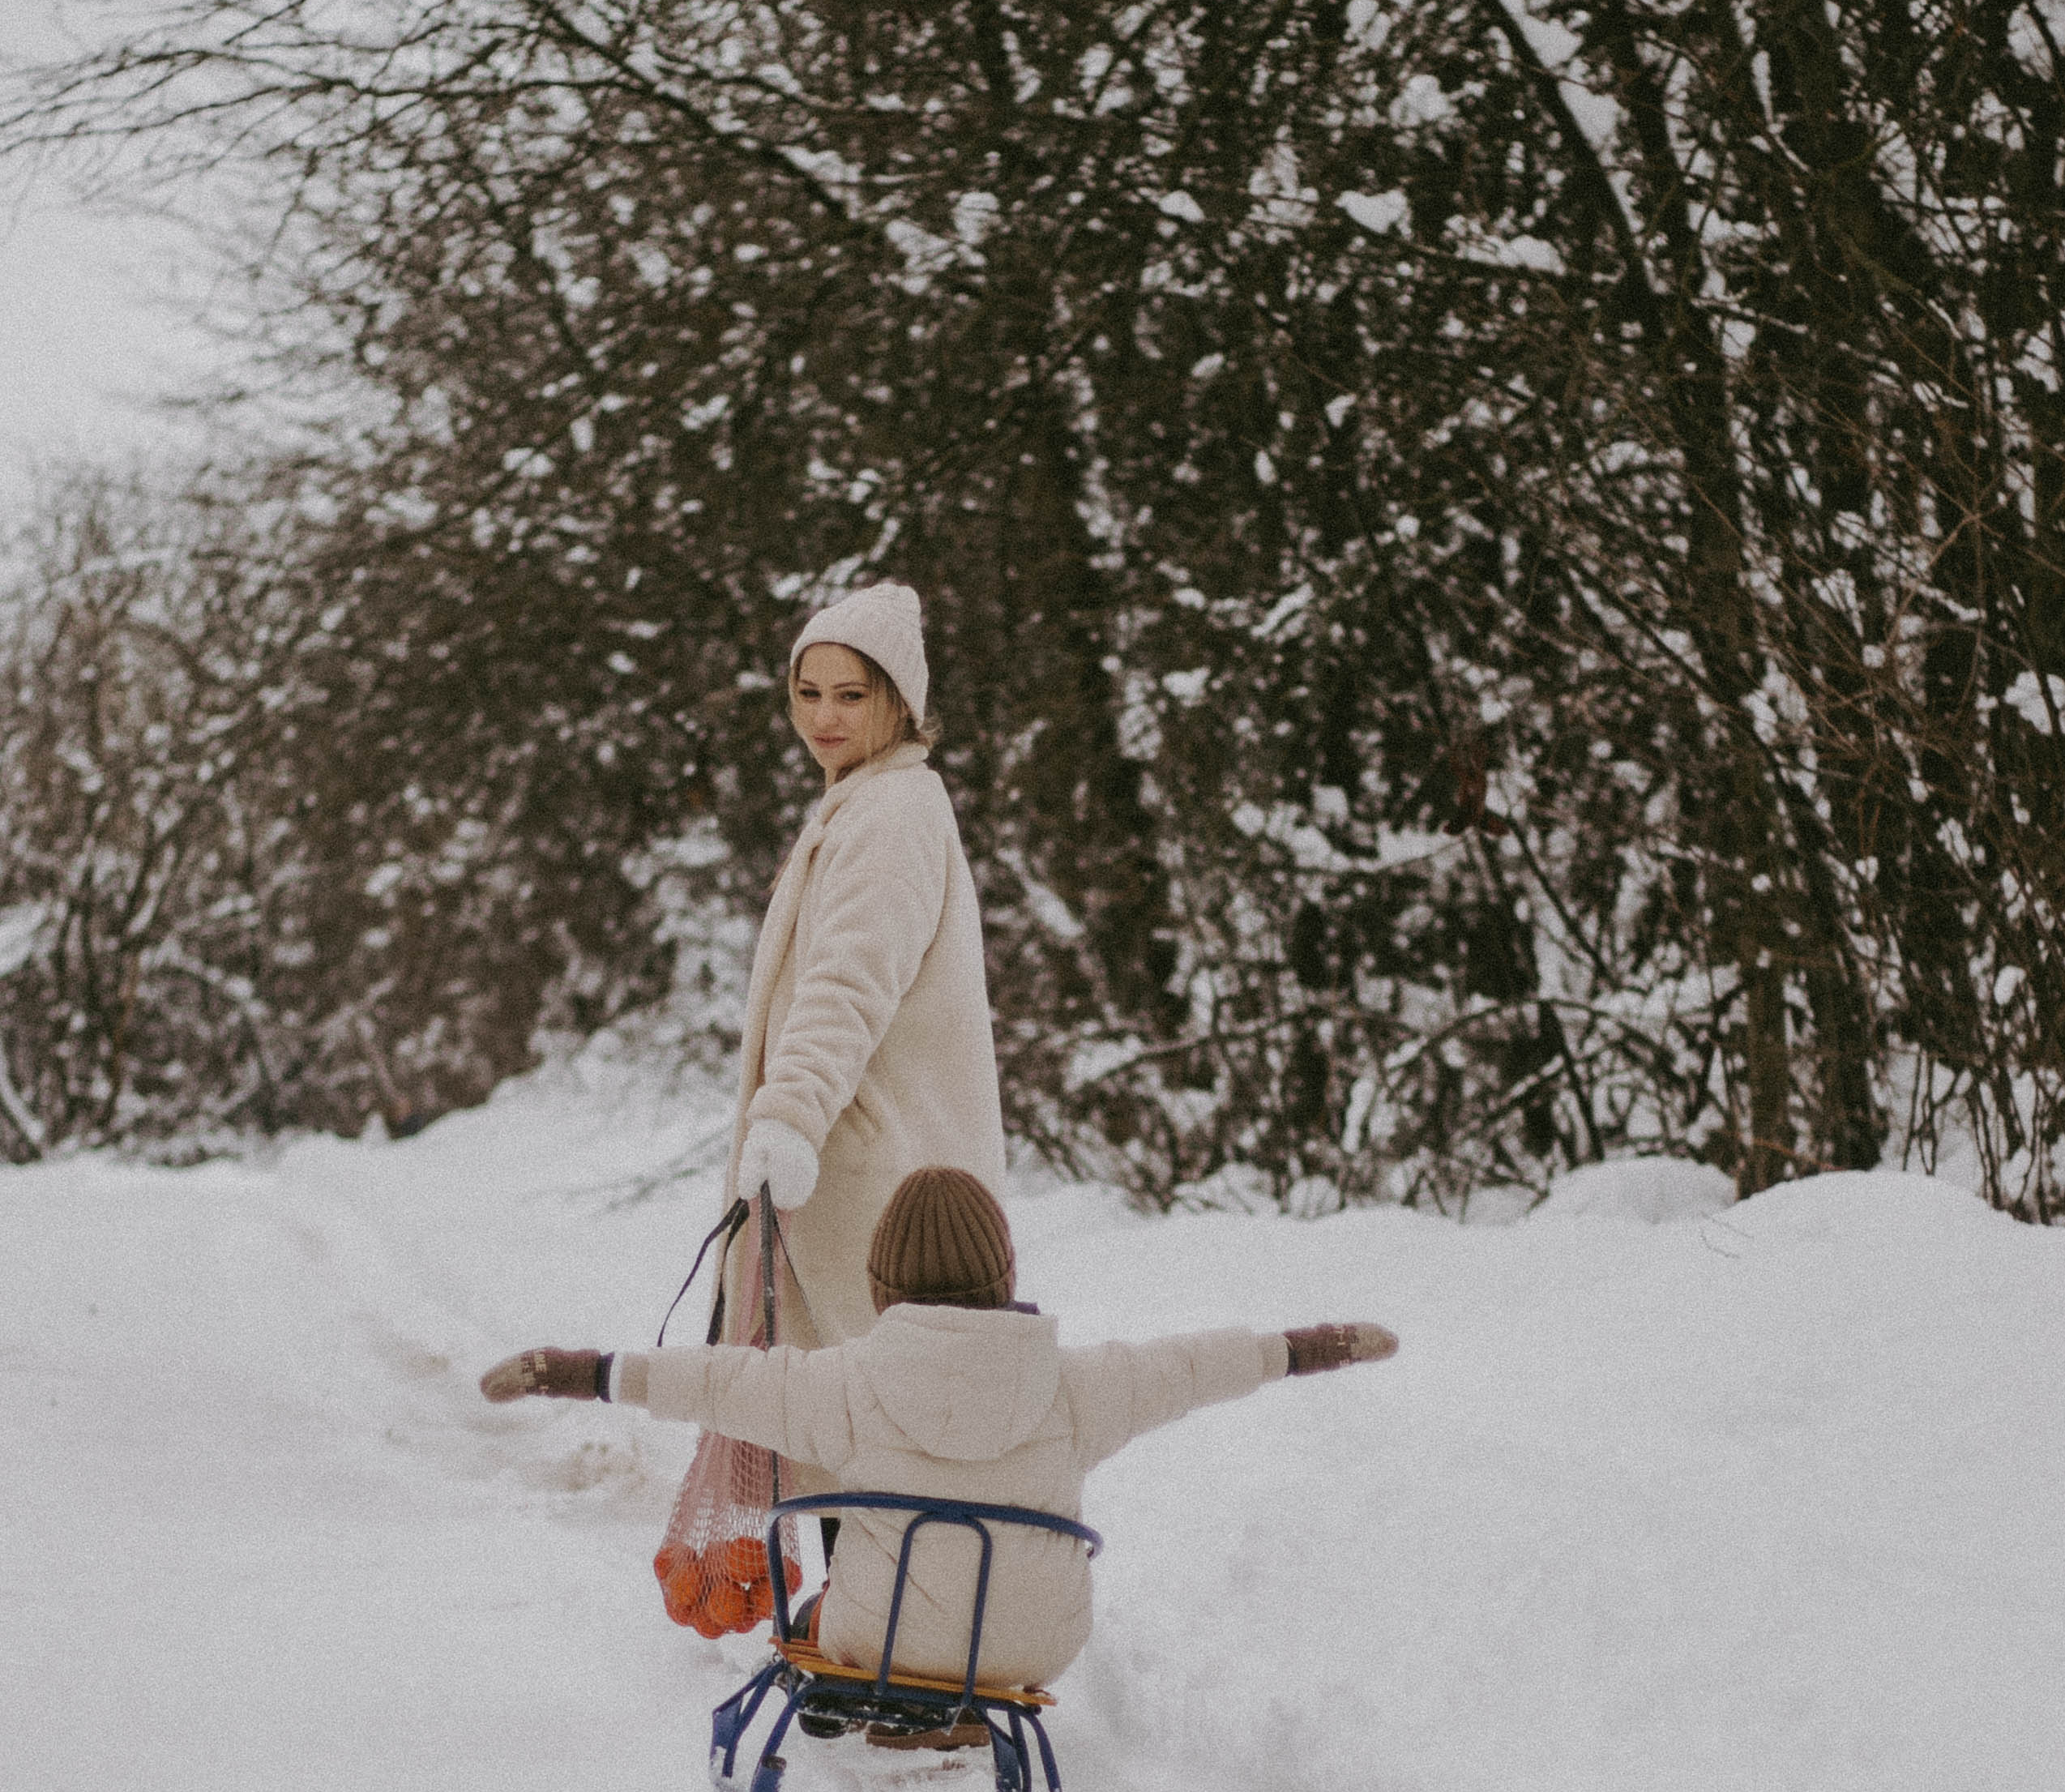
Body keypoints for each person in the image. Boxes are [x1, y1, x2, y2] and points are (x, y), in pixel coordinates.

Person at [483, 1167, 1398, 1695]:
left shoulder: (843, 1382)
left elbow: (714, 1382)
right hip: (1040, 1647)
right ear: (1004, 1277)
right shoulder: (1076, 1385)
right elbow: (1195, 1365)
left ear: (881, 1289)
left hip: (877, 1645)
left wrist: (579, 1372)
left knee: (822, 1605)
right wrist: (1309, 1347)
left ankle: (847, 1707)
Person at [718, 582, 1003, 1452]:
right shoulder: (868, 802)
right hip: (868, 1166)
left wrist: (790, 1117)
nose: (823, 718)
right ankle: (864, 1595)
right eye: (808, 693)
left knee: (871, 1443)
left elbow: (847, 985)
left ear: (900, 701)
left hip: (870, 1177)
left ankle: (875, 1596)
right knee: (872, 1442)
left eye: (851, 695)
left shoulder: (889, 814)